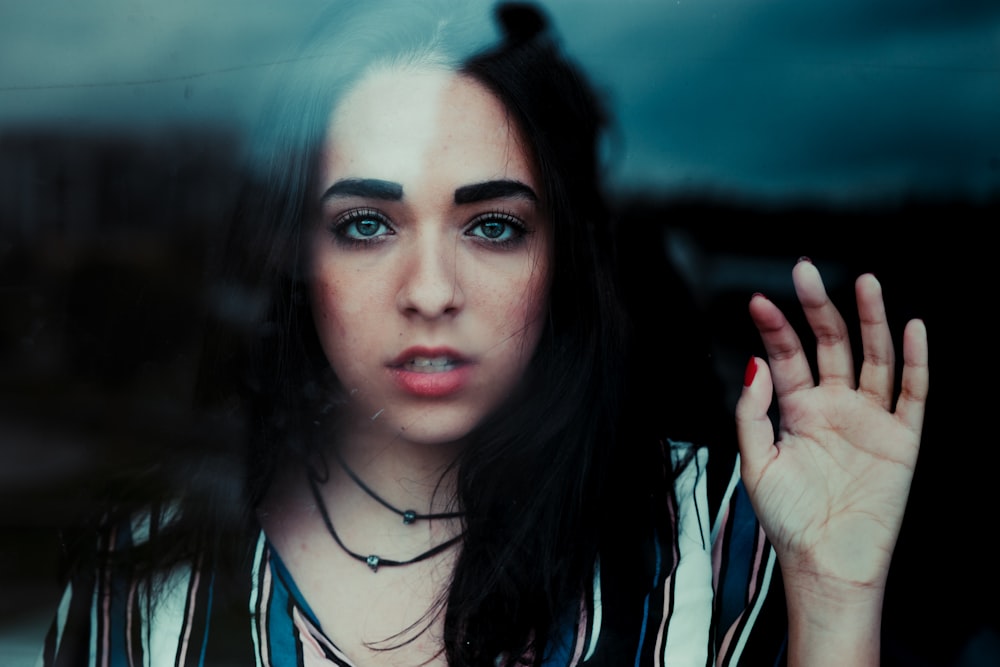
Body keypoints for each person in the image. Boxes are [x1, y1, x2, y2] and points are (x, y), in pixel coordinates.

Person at [39, 2, 929, 666]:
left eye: (493, 226)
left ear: (560, 260)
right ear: (295, 255)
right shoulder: (141, 584)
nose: (431, 292)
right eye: (365, 225)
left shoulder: (717, 532)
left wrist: (834, 599)